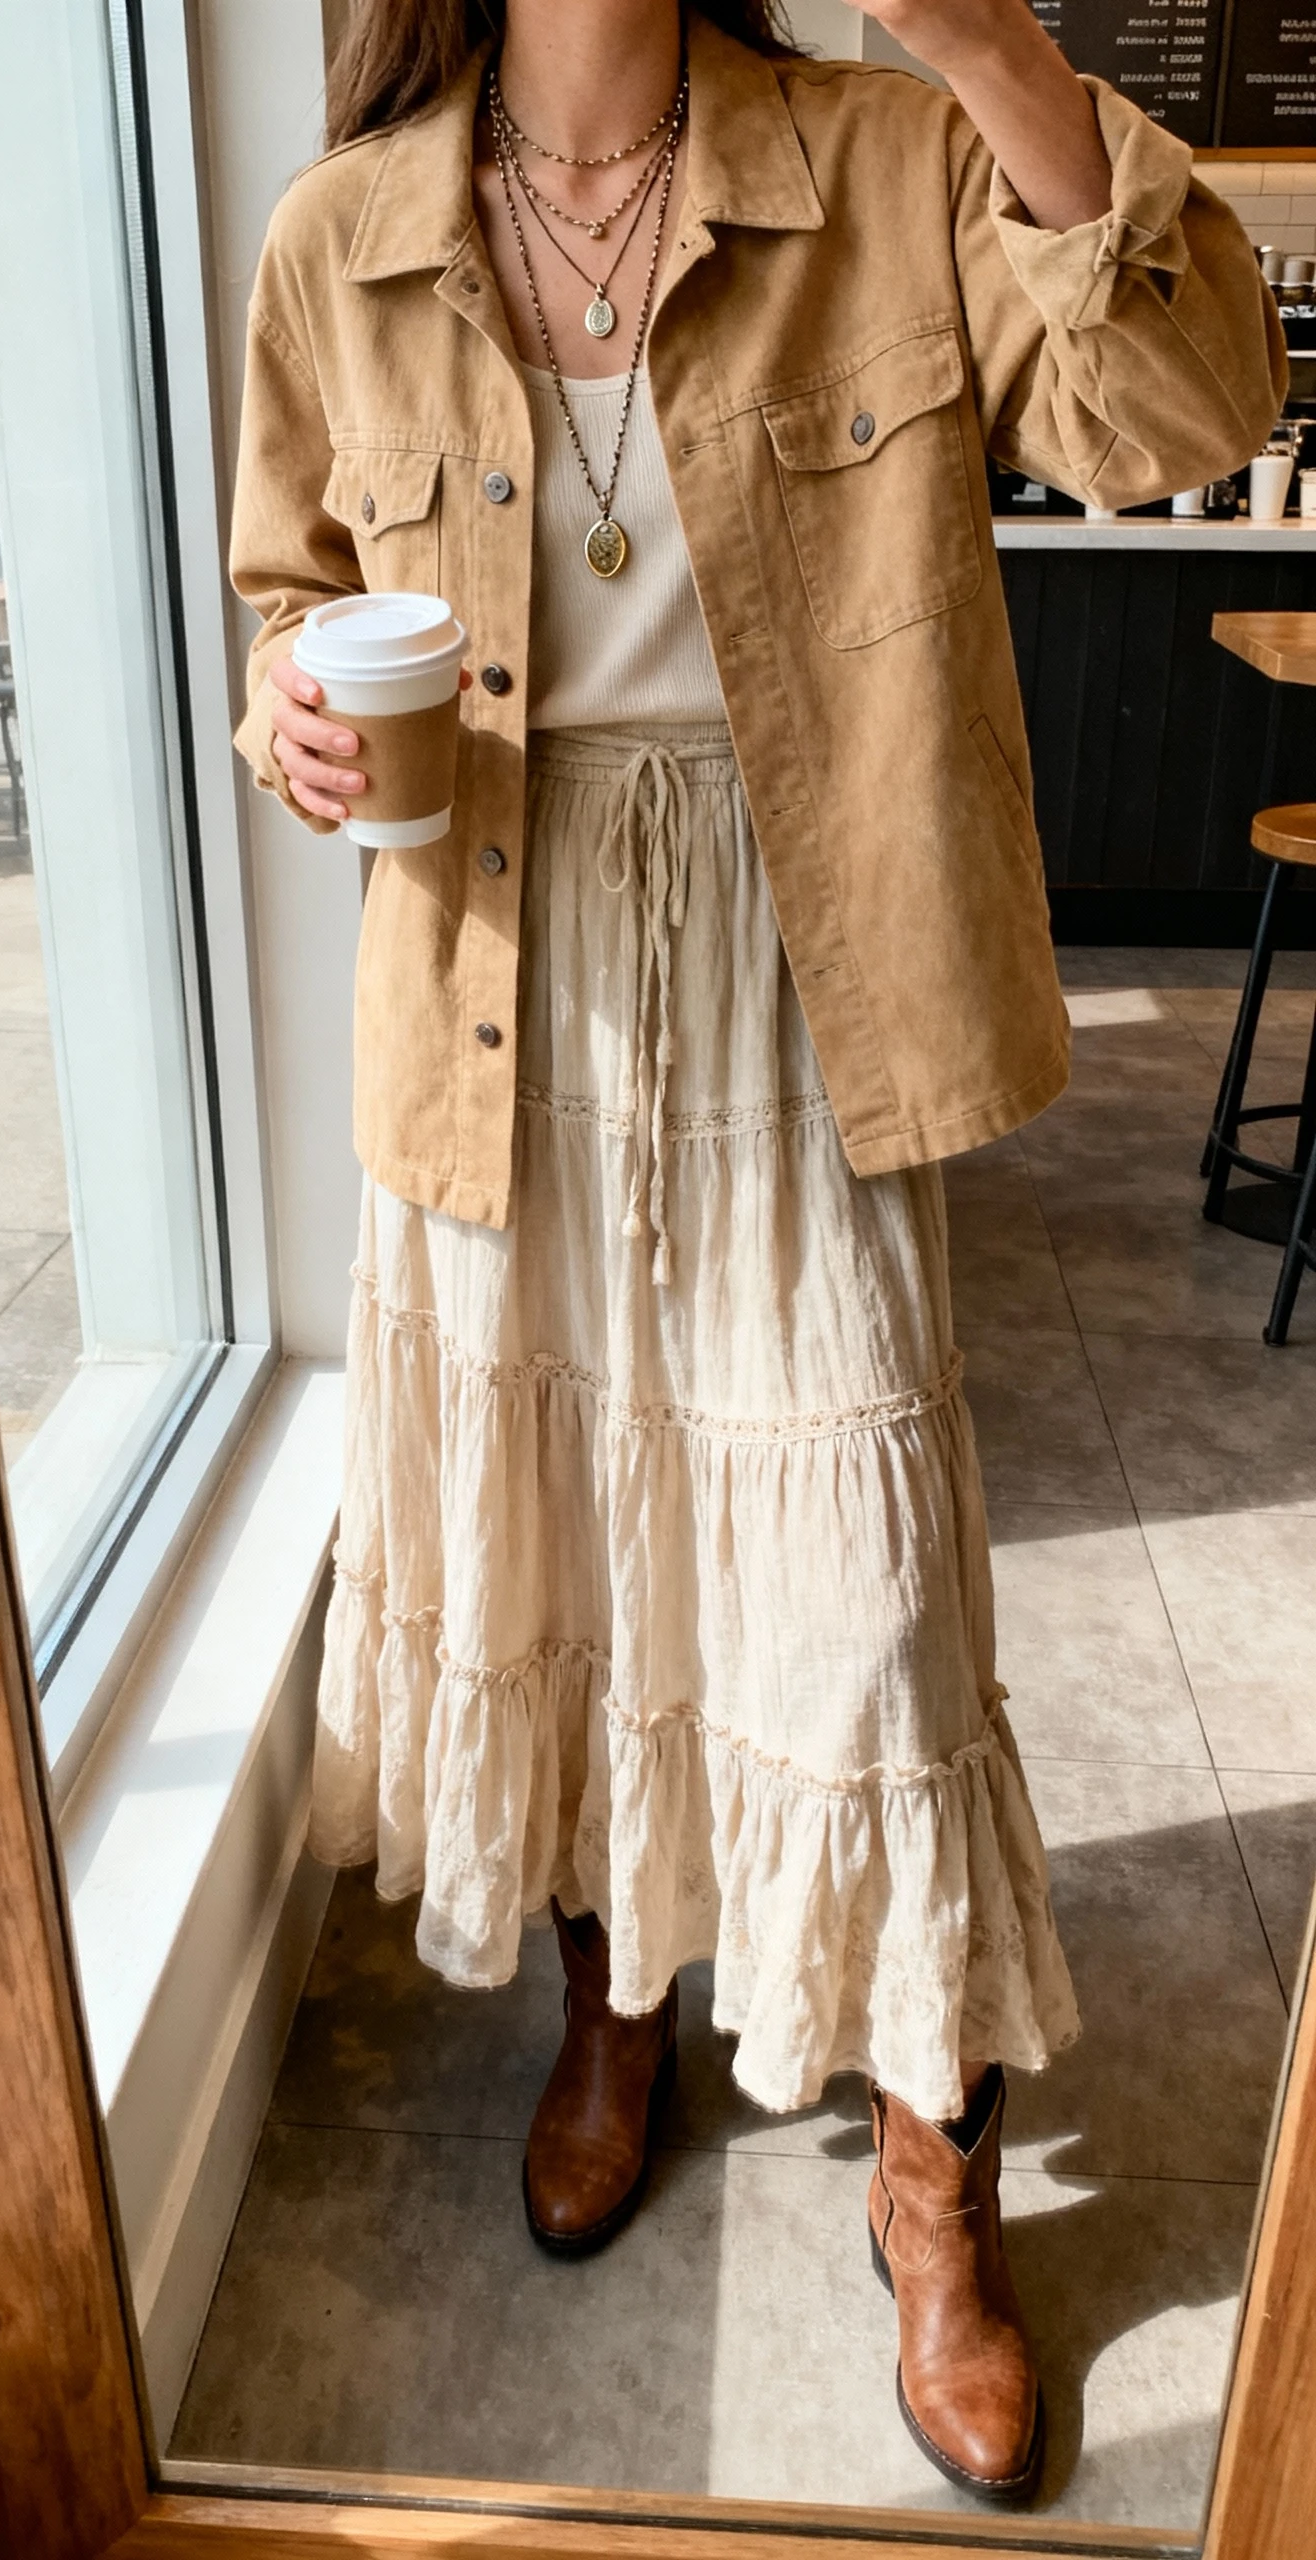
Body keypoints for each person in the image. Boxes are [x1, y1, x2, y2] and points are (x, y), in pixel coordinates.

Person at [230, 0, 1281, 2504]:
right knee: (589, 1543)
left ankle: (935, 2168)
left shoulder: (892, 154)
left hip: (808, 947)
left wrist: (991, 37)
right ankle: (619, 2013)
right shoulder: (341, 227)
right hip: (496, 957)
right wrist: (292, 705)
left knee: (872, 1601)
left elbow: (1195, 404)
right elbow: (290, 584)